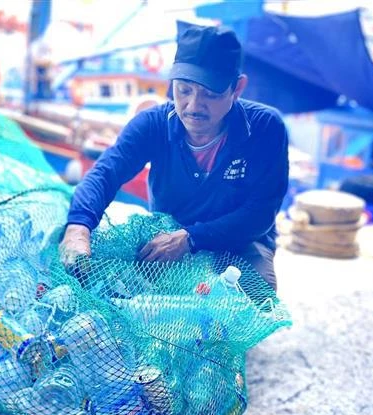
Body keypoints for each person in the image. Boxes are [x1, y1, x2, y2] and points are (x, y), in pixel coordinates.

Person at [58, 25, 289, 290]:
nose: (193, 106)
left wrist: (191, 238)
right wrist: (78, 227)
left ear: (237, 88)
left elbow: (260, 213)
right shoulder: (152, 124)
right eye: (184, 90)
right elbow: (105, 174)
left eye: (210, 94)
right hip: (165, 236)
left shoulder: (265, 128)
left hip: (241, 242)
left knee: (256, 300)